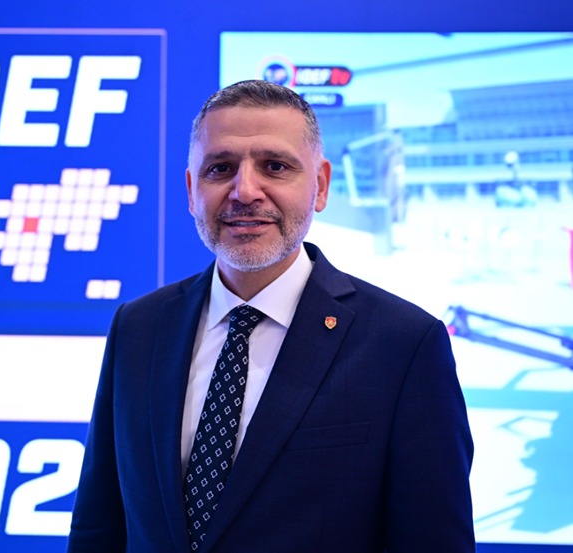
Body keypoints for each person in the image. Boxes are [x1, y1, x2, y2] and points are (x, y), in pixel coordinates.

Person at [67, 80, 475, 552]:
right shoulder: (138, 328)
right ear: (192, 189)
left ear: (320, 186)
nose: (244, 191)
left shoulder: (404, 345)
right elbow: (98, 528)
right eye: (220, 168)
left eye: (275, 166)